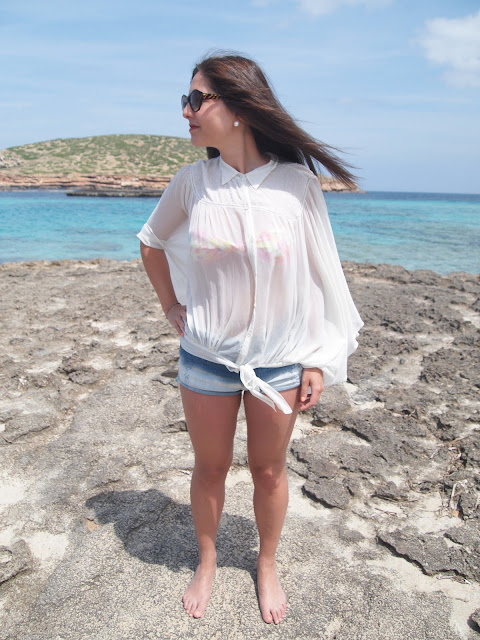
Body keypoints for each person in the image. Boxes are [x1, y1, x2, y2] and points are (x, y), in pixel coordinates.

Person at [137, 52, 363, 625]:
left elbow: (320, 274)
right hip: (206, 359)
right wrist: (171, 306)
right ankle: (208, 560)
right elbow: (150, 242)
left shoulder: (296, 185)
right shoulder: (192, 183)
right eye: (185, 99)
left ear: (238, 107)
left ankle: (266, 563)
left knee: (269, 471)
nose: (185, 111)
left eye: (196, 99)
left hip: (280, 363)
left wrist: (317, 358)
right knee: (209, 467)